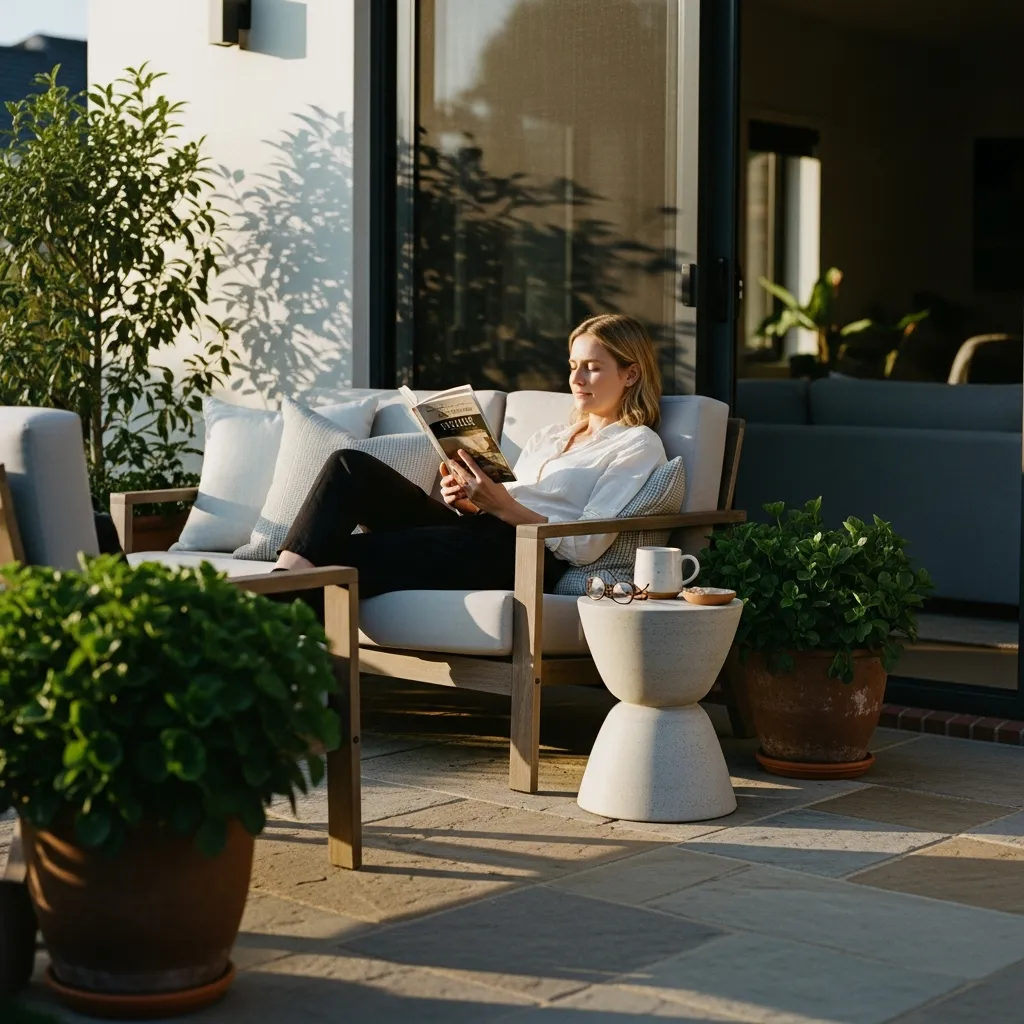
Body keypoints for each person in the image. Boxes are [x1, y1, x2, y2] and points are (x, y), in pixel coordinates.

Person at [274, 313, 667, 598]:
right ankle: (277, 584)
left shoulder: (636, 444)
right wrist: (470, 502)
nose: (577, 379)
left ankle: (266, 613)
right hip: (478, 533)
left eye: (593, 368)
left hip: (523, 557)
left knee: (337, 557)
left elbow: (586, 545)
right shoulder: (551, 435)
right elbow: (502, 503)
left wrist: (502, 506)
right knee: (349, 465)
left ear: (630, 374)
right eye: (573, 367)